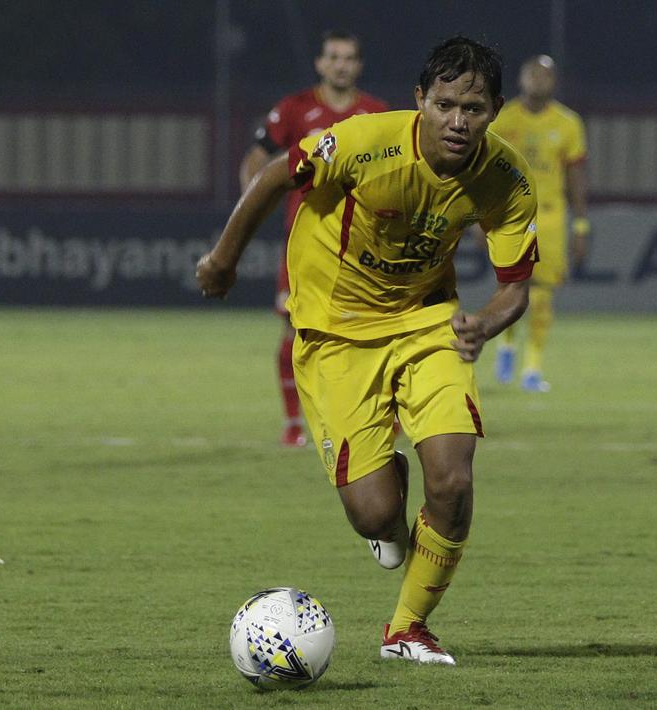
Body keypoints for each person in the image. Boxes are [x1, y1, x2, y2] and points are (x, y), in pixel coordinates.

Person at [198, 37, 538, 666]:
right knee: (375, 516)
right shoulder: (364, 140)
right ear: (420, 100)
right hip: (334, 332)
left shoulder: (506, 178)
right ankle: (386, 507)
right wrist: (224, 259)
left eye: (474, 108)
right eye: (445, 105)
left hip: (427, 322)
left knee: (455, 480)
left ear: (495, 110)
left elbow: (516, 285)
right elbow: (277, 175)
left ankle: (407, 628)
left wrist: (485, 323)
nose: (458, 121)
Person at [240, 30, 389, 448]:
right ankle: (294, 424)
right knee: (294, 331)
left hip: (362, 245)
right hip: (305, 244)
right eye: (333, 57)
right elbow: (256, 159)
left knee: (372, 331)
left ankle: (376, 417)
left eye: (348, 58)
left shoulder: (375, 113)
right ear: (320, 64)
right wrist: (253, 203)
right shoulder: (294, 109)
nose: (340, 64)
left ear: (358, 66)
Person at [488, 55, 589, 392]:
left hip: (549, 216)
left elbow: (575, 177)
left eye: (544, 76)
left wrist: (581, 226)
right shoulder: (503, 119)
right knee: (511, 286)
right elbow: (483, 171)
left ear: (554, 82)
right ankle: (506, 346)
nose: (537, 81)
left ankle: (531, 367)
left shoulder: (567, 123)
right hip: (510, 212)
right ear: (521, 78)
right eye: (532, 74)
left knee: (543, 293)